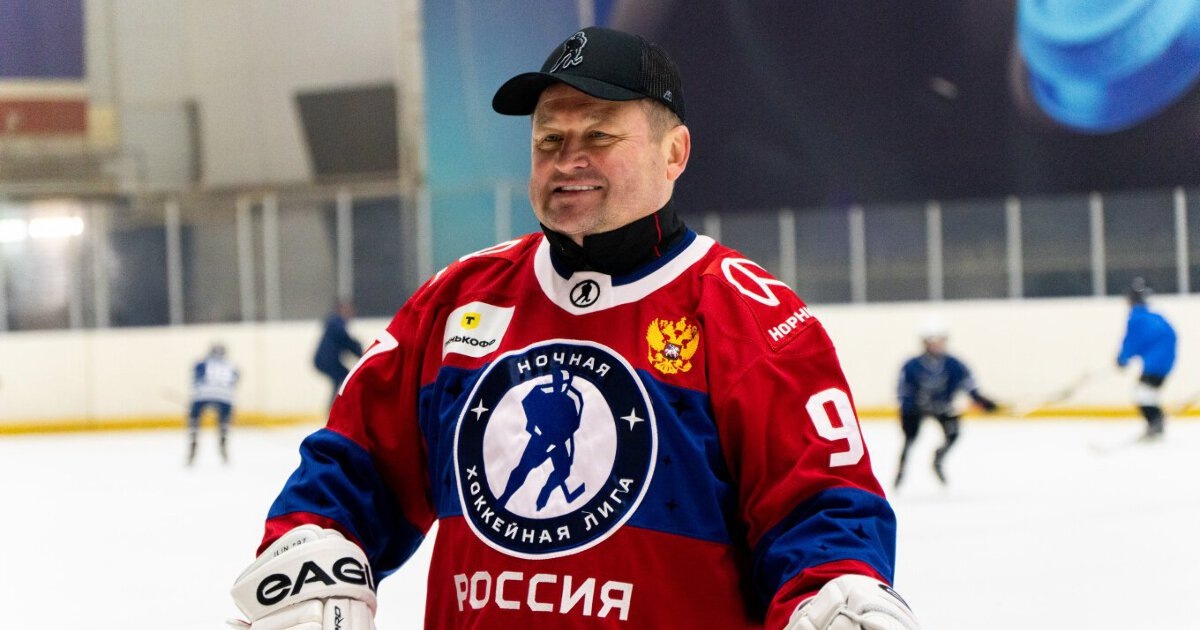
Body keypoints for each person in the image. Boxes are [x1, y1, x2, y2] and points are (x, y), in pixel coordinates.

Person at [230, 27, 918, 630]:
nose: (567, 160)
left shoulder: (750, 318)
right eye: (549, 140)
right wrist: (313, 545)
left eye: (598, 136)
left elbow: (819, 507)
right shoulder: (456, 302)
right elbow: (355, 468)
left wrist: (836, 588)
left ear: (674, 153)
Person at [894, 317, 997, 488]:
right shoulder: (912, 365)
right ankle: (900, 472)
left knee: (953, 434)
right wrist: (909, 407)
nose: (937, 345)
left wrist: (981, 400)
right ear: (925, 342)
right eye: (932, 341)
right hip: (916, 409)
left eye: (940, 340)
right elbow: (903, 389)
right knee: (910, 439)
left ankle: (938, 459)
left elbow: (968, 384)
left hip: (943, 407)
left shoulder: (954, 364)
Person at [1116, 277, 1177, 440]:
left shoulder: (1136, 318)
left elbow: (1132, 342)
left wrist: (1122, 359)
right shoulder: (1155, 316)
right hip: (1166, 361)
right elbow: (1157, 339)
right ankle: (1156, 423)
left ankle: (1155, 424)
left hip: (1155, 362)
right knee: (1148, 393)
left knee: (1142, 394)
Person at [187, 342, 239, 465]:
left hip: (203, 395)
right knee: (224, 418)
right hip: (225, 397)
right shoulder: (232, 366)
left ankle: (194, 440)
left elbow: (196, 380)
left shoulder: (201, 363)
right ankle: (223, 436)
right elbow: (234, 382)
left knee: (194, 415)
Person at [313, 300, 363, 408]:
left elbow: (345, 342)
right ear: (341, 310)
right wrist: (359, 352)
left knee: (343, 378)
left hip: (329, 360)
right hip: (326, 361)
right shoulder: (336, 323)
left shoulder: (337, 324)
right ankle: (336, 407)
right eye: (348, 310)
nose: (351, 313)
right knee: (344, 378)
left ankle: (335, 406)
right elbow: (346, 340)